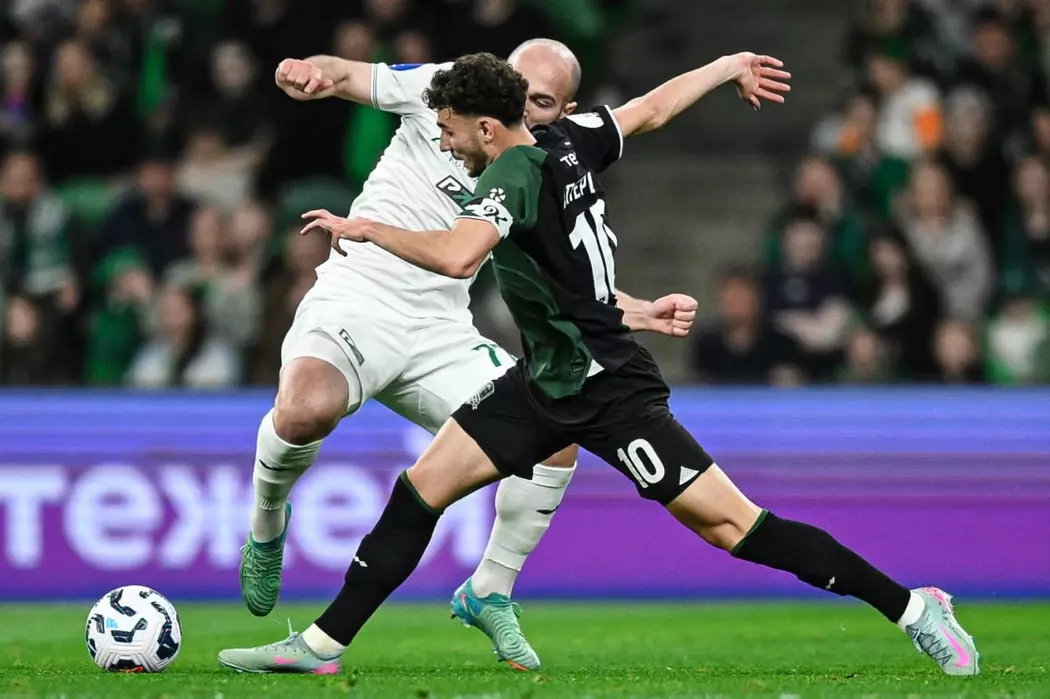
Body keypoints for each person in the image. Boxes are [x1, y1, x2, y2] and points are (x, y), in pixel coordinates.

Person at [218, 52, 981, 678]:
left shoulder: (511, 174)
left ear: (486, 127)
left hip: (609, 389)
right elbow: (651, 109)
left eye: (448, 132)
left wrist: (366, 227)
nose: (442, 144)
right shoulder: (574, 136)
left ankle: (916, 606)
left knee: (738, 528)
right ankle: (323, 643)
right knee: (421, 489)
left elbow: (456, 257)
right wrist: (726, 66)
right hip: (541, 381)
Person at [237, 38, 698, 671]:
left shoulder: (539, 161)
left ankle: (489, 590)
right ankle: (266, 524)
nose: (522, 108)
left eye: (541, 102)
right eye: (517, 87)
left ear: (564, 110)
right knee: (303, 411)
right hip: (358, 297)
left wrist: (636, 311)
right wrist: (310, 70)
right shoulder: (444, 85)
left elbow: (563, 269)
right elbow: (349, 75)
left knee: (556, 437)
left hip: (442, 327)